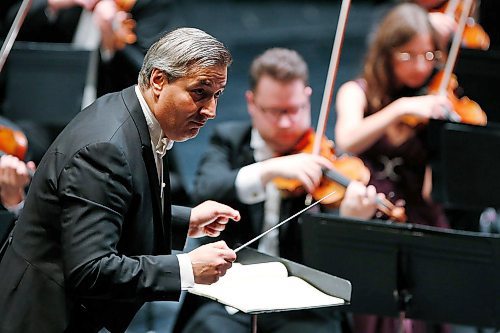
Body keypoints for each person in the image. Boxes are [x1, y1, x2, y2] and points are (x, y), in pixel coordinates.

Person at [0, 27, 241, 333]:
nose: (211, 111)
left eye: (217, 95)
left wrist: (184, 220)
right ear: (158, 80)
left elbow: (110, 204)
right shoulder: (106, 149)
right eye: (199, 93)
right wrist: (186, 269)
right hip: (41, 317)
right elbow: (91, 269)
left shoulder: (134, 110)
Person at [178, 47, 379, 333]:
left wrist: (350, 218)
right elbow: (205, 190)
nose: (286, 122)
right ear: (251, 103)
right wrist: (270, 170)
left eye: (295, 110)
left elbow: (338, 259)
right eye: (274, 111)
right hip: (229, 292)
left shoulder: (326, 159)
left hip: (303, 301)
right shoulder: (230, 140)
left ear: (308, 98)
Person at [334, 3, 451, 332]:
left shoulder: (437, 99)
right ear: (386, 52)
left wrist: (443, 137)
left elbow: (433, 189)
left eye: (428, 56)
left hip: (423, 219)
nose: (419, 67)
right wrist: (399, 109)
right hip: (372, 218)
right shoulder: (357, 92)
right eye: (408, 55)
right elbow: (347, 139)